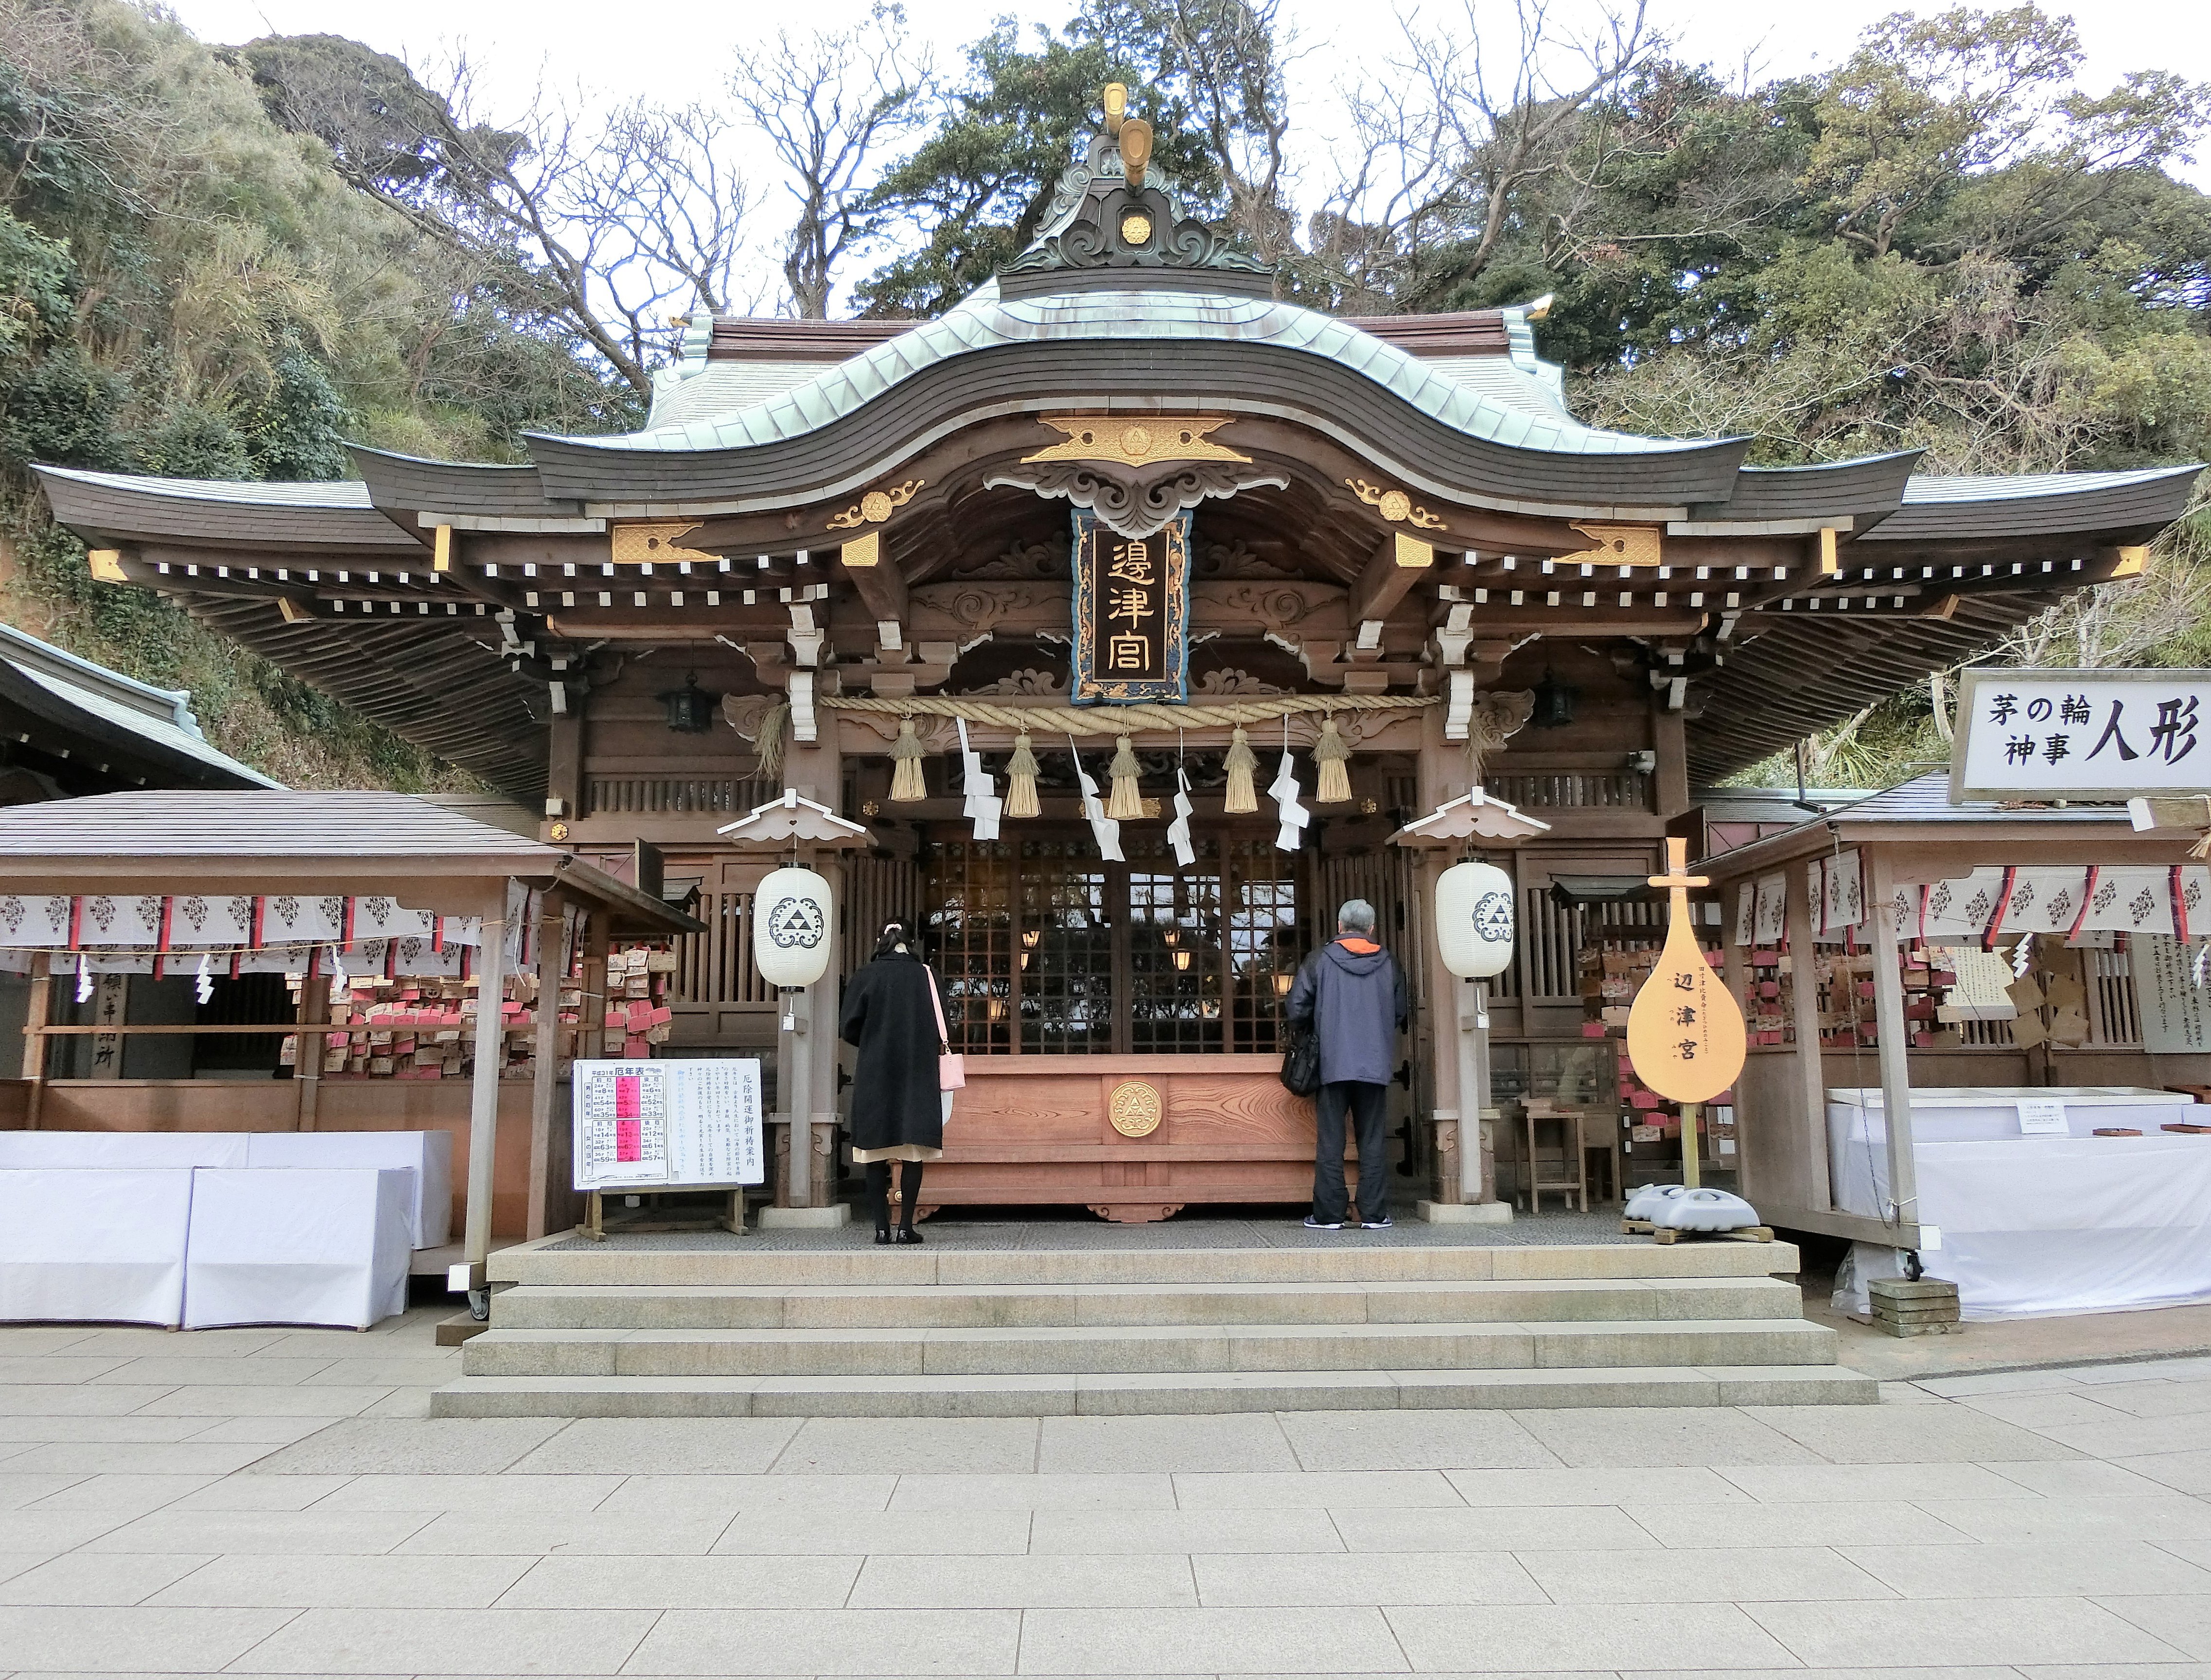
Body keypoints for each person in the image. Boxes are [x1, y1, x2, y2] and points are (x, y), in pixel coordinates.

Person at [1286, 898, 1408, 1230]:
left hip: (1332, 1063)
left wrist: (1317, 1028)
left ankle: (1328, 1215)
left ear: (1340, 927)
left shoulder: (1319, 960)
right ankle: (1373, 1213)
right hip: (1374, 1065)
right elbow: (1399, 1012)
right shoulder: (1389, 963)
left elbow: (1296, 1009)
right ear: (1371, 929)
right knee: (1372, 1140)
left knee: (1331, 1140)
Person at [839, 921, 949, 1244]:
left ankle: (880, 1229)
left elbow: (848, 1027)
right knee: (913, 1152)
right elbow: (944, 1023)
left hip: (875, 1070)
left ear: (881, 941)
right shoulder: (927, 976)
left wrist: (874, 1040)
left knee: (874, 1153)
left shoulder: (866, 975)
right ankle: (906, 1228)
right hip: (917, 1072)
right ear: (911, 942)